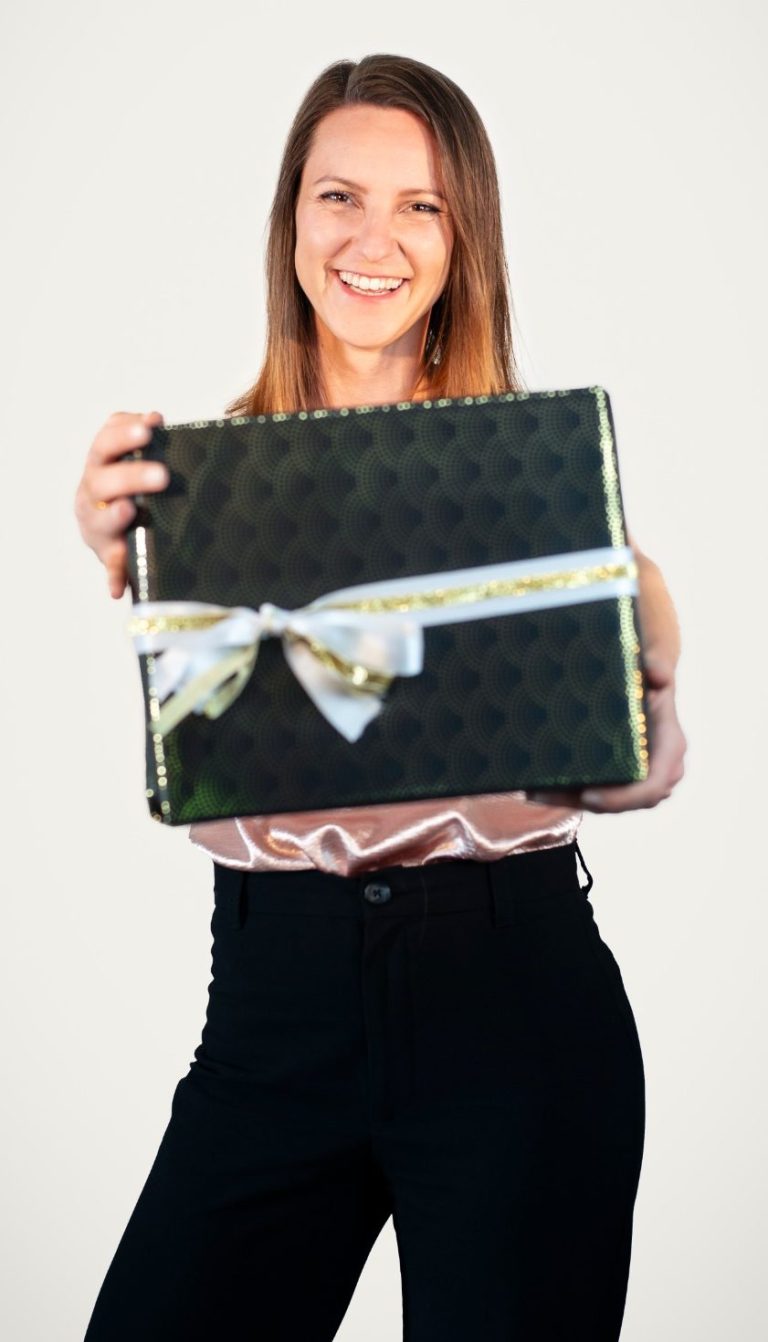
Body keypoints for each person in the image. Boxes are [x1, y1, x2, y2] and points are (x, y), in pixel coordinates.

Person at [74, 53, 686, 1342]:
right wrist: (119, 553)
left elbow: (646, 750)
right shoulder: (194, 491)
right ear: (291, 220)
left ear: (465, 241)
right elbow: (203, 728)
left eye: (422, 206)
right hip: (272, 1009)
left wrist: (636, 715)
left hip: (510, 1003)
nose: (373, 240)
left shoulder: (539, 488)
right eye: (339, 196)